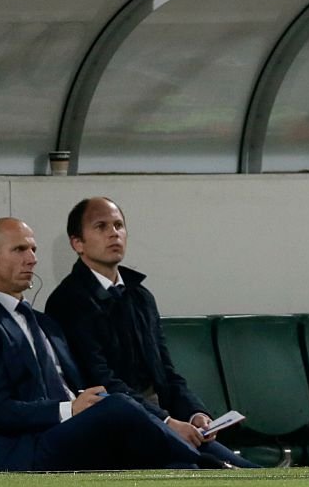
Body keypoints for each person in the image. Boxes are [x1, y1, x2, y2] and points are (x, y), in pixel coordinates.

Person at [0, 217, 230, 472]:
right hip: (22, 449)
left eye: (34, 249)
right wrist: (69, 409)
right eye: (20, 250)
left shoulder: (45, 323)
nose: (32, 259)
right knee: (120, 406)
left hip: (75, 436)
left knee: (176, 457)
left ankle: (250, 473)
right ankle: (210, 465)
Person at [45, 197, 258, 469]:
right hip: (121, 429)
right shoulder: (68, 301)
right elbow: (100, 381)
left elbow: (165, 371)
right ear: (78, 243)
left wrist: (195, 413)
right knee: (203, 471)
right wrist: (166, 422)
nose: (114, 233)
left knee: (250, 472)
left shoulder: (140, 296)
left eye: (119, 225)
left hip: (163, 421)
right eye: (101, 226)